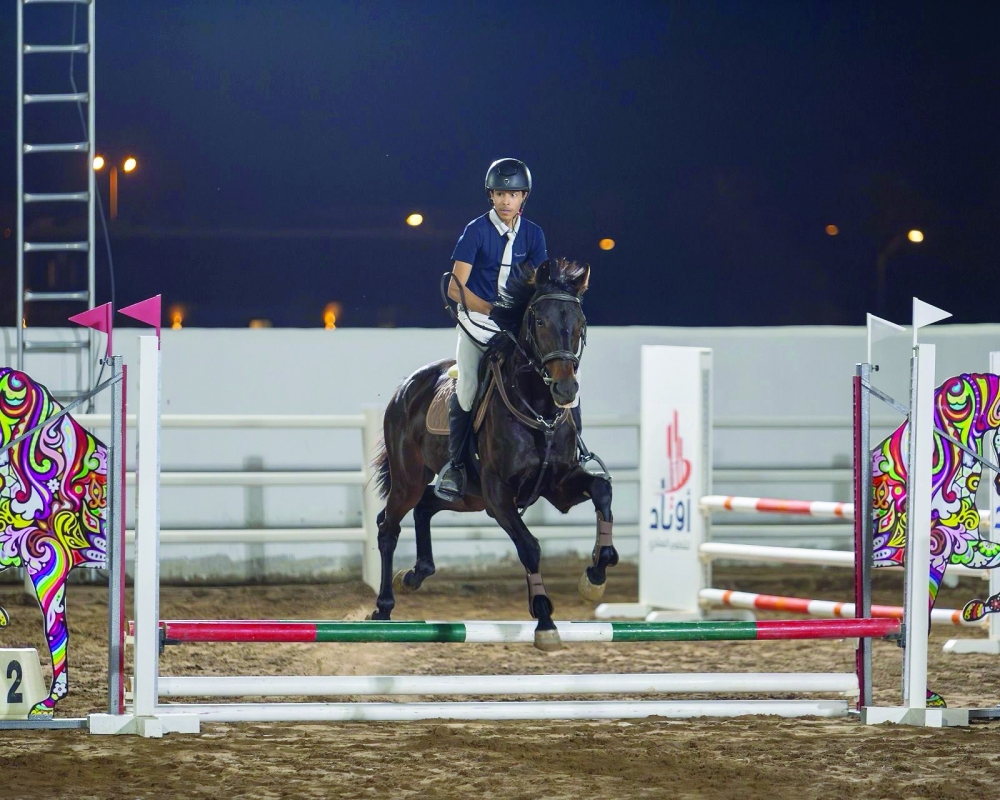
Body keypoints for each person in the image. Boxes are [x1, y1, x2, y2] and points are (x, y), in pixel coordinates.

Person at [434, 158, 549, 501]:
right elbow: (455, 288)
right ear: (491, 195)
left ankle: (575, 454)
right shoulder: (476, 231)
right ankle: (454, 465)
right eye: (499, 193)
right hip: (476, 321)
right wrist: (489, 309)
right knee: (468, 384)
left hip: (512, 326)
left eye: (512, 195)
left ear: (523, 197)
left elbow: (539, 283)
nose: (505, 201)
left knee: (550, 373)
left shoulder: (534, 234)